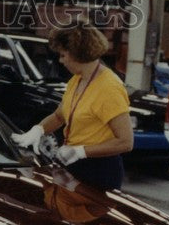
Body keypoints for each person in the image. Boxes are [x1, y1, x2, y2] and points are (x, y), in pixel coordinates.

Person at [12, 23, 133, 190]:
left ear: (79, 54)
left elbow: (126, 142)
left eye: (63, 55)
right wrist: (38, 130)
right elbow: (59, 116)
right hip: (73, 164)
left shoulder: (109, 88)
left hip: (99, 171)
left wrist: (81, 151)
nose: (60, 61)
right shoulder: (77, 80)